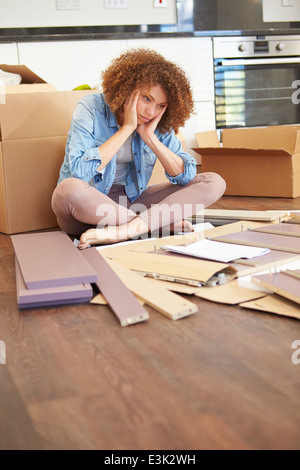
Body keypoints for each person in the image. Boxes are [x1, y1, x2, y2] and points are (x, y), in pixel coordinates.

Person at [51, 48, 226, 249]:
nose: (151, 111)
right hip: (86, 209)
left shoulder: (157, 123)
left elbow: (185, 176)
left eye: (161, 105)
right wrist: (127, 128)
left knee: (213, 181)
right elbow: (79, 172)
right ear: (127, 88)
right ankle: (152, 226)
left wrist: (151, 138)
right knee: (67, 190)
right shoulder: (90, 107)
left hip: (130, 201)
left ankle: (127, 230)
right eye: (146, 98)